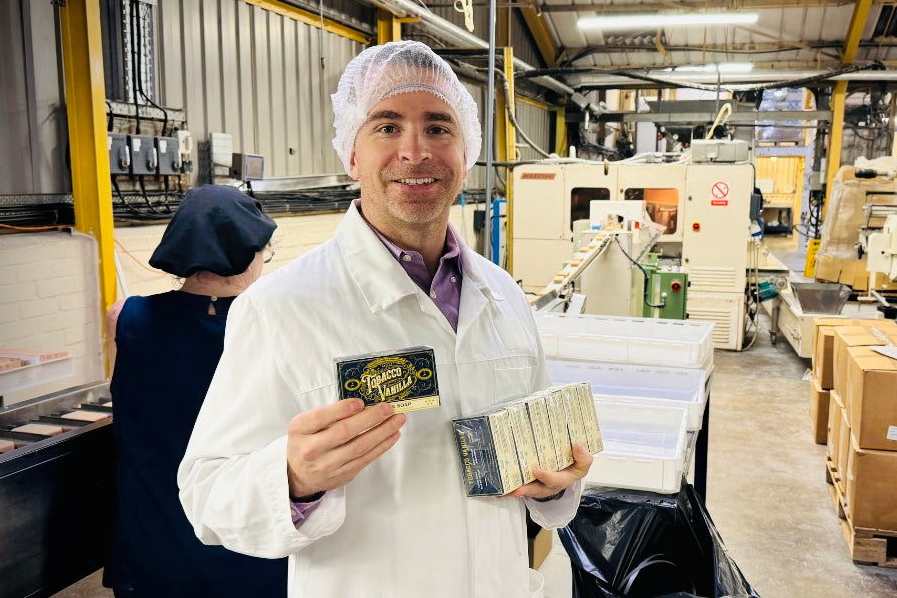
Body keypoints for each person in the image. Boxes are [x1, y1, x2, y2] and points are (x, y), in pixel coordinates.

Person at [177, 41, 592, 597]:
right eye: (387, 126)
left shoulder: (503, 295)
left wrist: (551, 485)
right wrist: (294, 480)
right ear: (351, 154)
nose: (416, 151)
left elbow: (542, 456)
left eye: (439, 127)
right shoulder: (280, 307)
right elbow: (206, 494)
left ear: (466, 152)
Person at [105, 185, 287, 597]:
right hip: (245, 543)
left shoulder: (126, 317)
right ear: (249, 253)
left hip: (152, 536)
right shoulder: (277, 326)